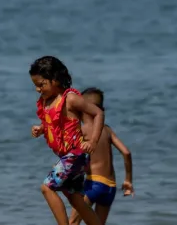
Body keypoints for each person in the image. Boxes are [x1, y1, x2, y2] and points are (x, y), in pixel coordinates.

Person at [30, 56, 105, 225]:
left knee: (47, 187)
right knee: (75, 199)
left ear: (55, 80)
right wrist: (41, 129)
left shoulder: (69, 98)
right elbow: (55, 123)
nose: (37, 89)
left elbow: (98, 113)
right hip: (68, 156)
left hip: (76, 154)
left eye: (41, 84)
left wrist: (93, 141)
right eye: (35, 85)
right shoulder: (47, 100)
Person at [69, 87, 134, 225]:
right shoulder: (107, 130)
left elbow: (73, 156)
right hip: (110, 187)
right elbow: (126, 153)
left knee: (73, 222)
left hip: (94, 184)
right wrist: (128, 180)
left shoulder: (83, 130)